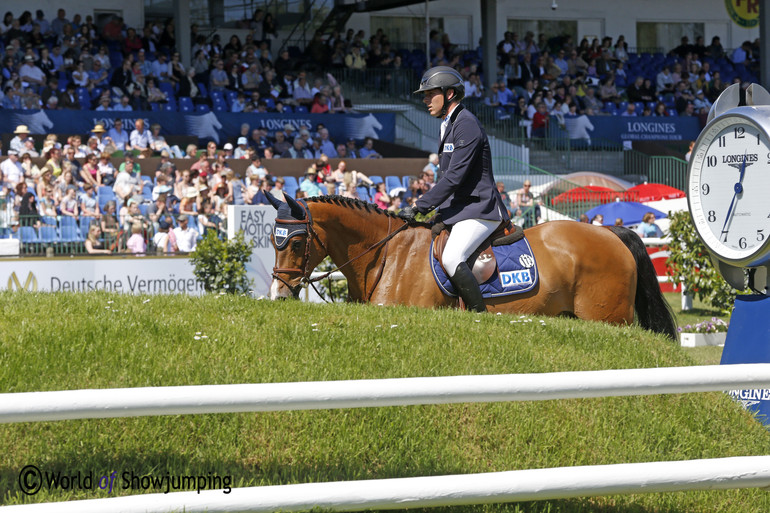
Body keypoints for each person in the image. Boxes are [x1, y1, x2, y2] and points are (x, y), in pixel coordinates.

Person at [398, 66, 510, 313]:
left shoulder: (466, 124)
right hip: (460, 208)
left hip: (480, 209)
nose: (425, 100)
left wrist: (419, 206)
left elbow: (454, 178)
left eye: (430, 94)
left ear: (449, 94)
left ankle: (479, 315)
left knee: (451, 257)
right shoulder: (448, 124)